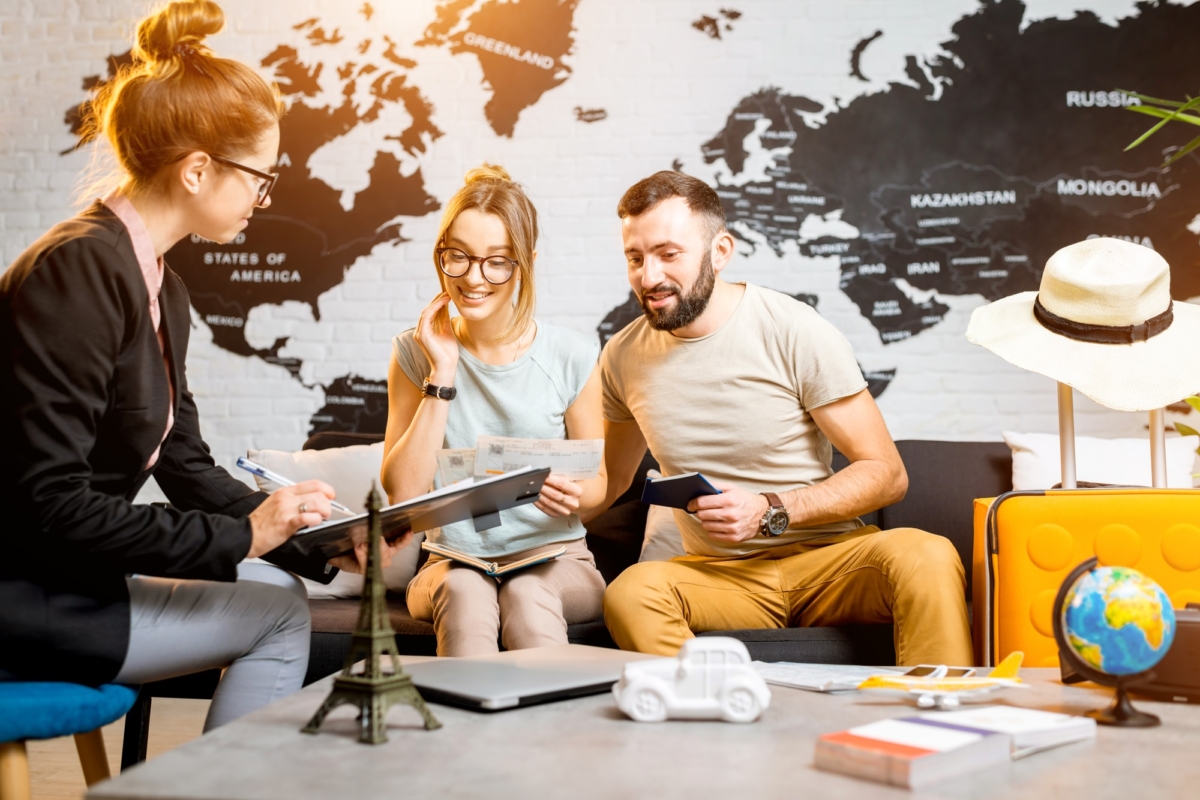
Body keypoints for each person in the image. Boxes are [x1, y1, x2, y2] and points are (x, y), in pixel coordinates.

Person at [0, 0, 402, 731]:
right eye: (259, 176)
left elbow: (183, 462)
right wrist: (247, 536)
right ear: (196, 170)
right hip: (26, 597)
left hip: (67, 580)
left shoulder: (161, 285)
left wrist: (321, 544)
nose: (263, 196)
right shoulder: (78, 270)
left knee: (277, 588)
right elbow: (49, 503)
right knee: (278, 618)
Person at [596, 171, 973, 666]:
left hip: (829, 562)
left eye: (669, 254)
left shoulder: (793, 327)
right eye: (635, 258)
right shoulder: (622, 357)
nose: (649, 277)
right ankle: (721, 706)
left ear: (720, 251)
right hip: (723, 578)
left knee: (927, 554)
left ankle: (945, 719)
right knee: (631, 592)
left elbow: (887, 474)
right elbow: (609, 480)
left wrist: (769, 508)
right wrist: (521, 505)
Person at [382, 165, 608, 657]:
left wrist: (572, 494)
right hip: (451, 560)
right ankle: (467, 733)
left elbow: (599, 484)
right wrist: (441, 373)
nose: (473, 278)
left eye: (496, 262)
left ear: (525, 262)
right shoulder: (413, 353)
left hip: (556, 558)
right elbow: (402, 492)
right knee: (465, 593)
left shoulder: (571, 355)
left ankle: (544, 731)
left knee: (527, 594)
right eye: (457, 257)